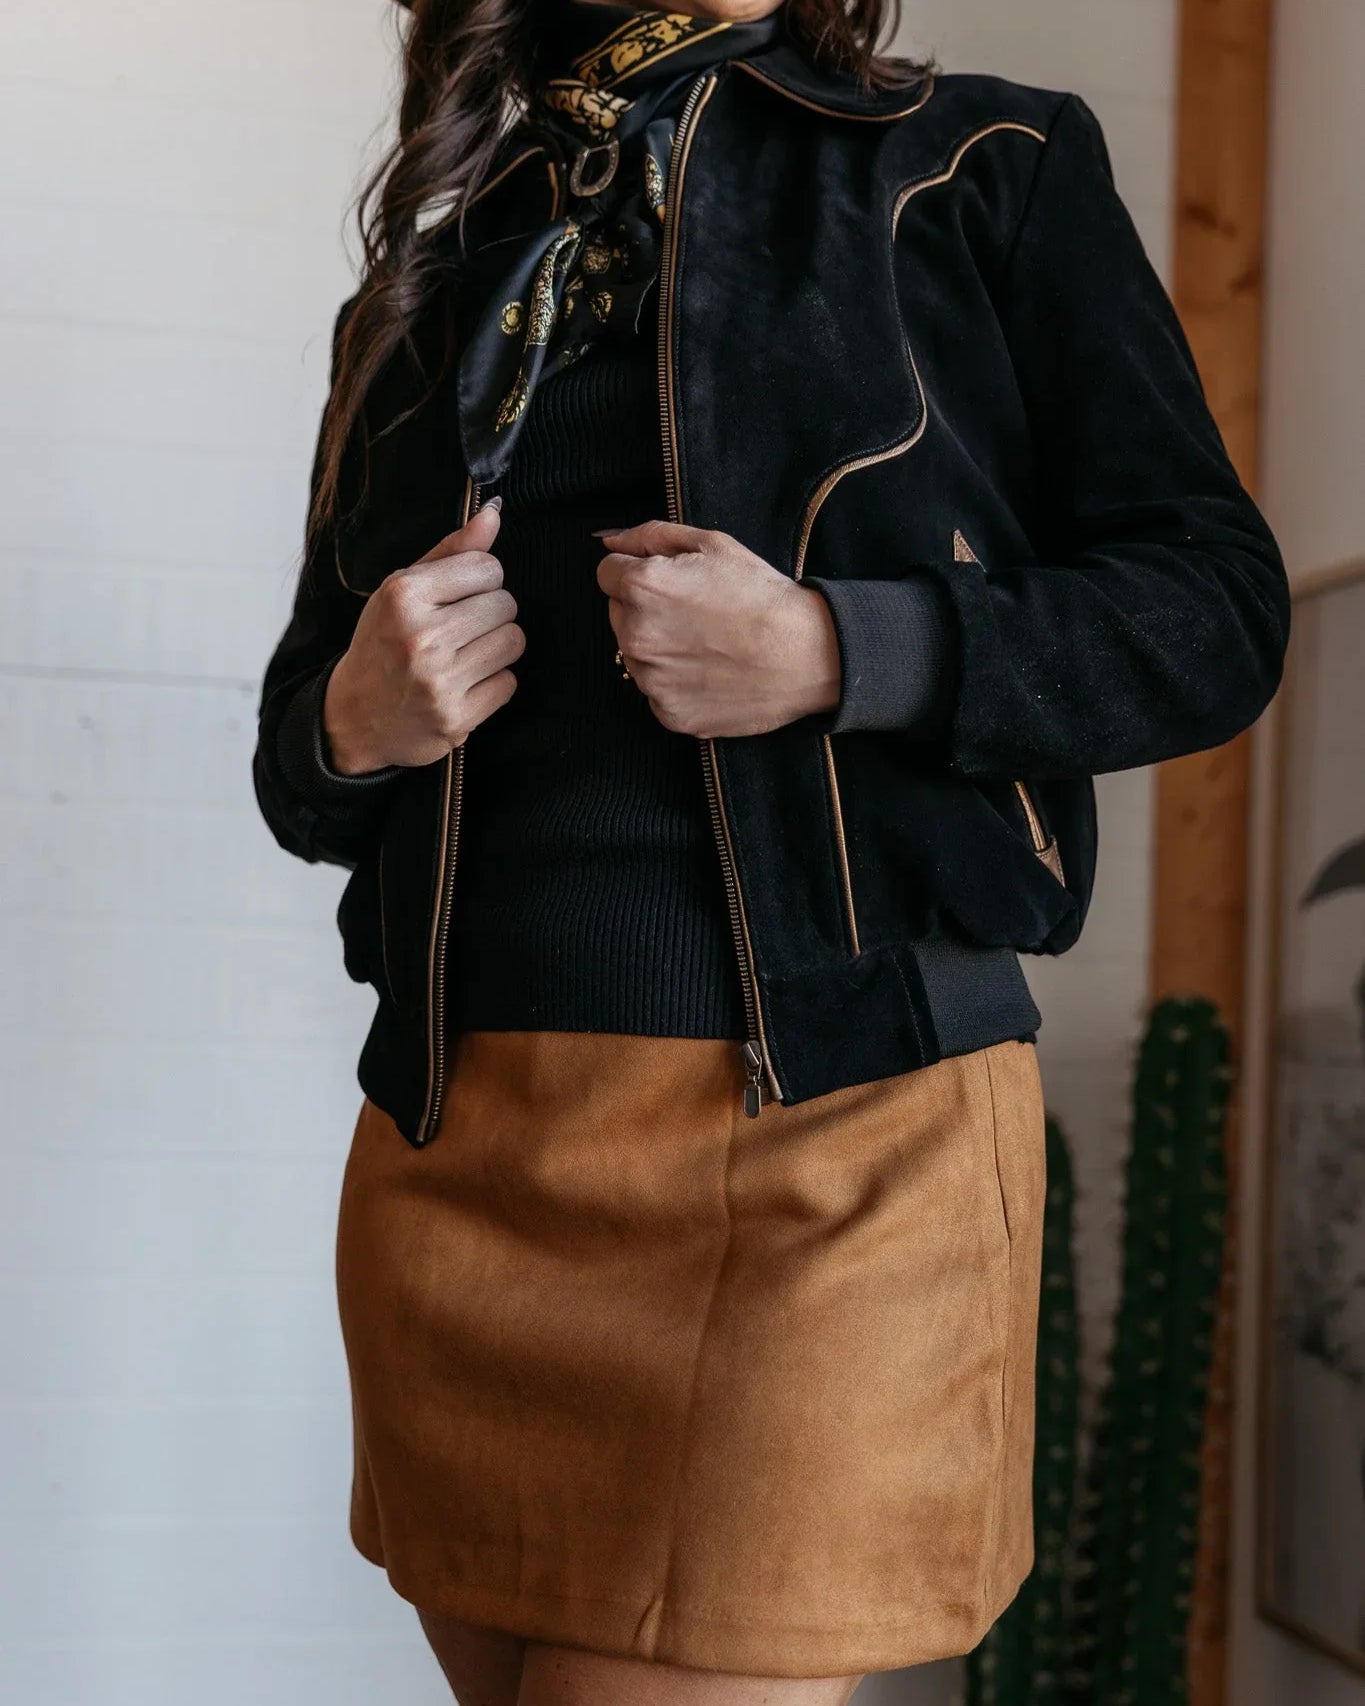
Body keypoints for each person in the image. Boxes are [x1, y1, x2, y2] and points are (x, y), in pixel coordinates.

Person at [251, 1, 1290, 1700]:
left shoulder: (980, 165)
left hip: (834, 1146)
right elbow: (305, 771)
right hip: (460, 1157)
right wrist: (349, 718)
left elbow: (1213, 615)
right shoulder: (435, 276)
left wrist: (838, 646)